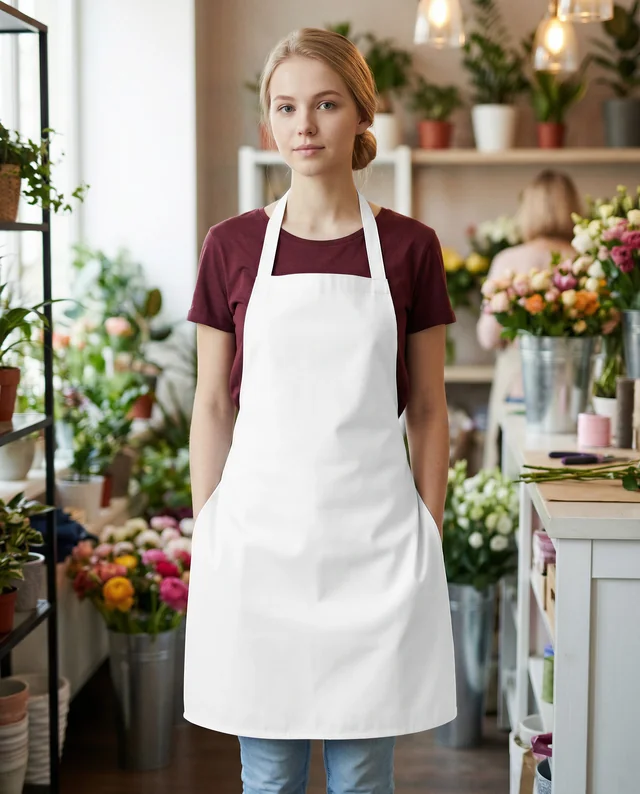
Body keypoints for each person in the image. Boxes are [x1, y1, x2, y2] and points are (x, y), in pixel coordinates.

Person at [184, 27, 457, 794]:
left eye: (326, 104)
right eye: (286, 106)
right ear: (268, 123)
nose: (304, 125)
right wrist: (211, 525)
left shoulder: (411, 248)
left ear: (361, 117)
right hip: (259, 547)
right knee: (267, 775)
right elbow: (211, 404)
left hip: (371, 546)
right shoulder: (231, 246)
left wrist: (427, 526)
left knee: (363, 775)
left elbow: (430, 407)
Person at [477, 170, 581, 469]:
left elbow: (488, 336)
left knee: (515, 477)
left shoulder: (509, 260)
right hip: (573, 390)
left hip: (517, 386)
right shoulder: (583, 260)